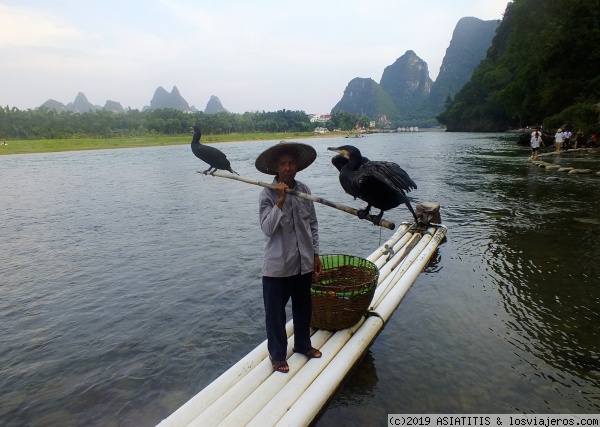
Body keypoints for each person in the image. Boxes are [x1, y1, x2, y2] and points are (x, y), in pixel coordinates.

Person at [255, 141, 323, 374]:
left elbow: (312, 224)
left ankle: (303, 345)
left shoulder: (304, 190)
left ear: (297, 167)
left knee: (303, 308)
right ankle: (277, 356)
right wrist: (280, 201)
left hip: (303, 262)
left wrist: (315, 254)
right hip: (277, 267)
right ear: (276, 167)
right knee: (275, 314)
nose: (287, 168)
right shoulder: (267, 193)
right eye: (283, 164)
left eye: (291, 163)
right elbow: (267, 228)